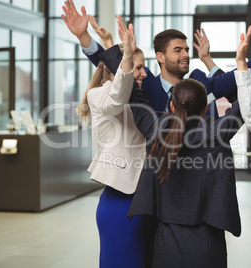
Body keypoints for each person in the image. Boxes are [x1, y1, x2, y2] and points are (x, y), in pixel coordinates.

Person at [61, 0, 251, 119]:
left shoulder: (200, 82)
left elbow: (238, 75)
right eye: (177, 50)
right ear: (160, 57)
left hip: (197, 169)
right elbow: (114, 65)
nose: (185, 54)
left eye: (186, 49)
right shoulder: (145, 82)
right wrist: (84, 37)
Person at [125, 77, 247, 267]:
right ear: (205, 108)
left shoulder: (156, 131)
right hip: (207, 242)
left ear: (172, 106)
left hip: (165, 242)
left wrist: (119, 58)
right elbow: (249, 100)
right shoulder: (218, 132)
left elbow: (136, 98)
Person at [76, 15, 147, 268]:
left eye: (142, 67)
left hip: (143, 196)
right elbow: (118, 96)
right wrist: (125, 58)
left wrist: (107, 43)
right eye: (138, 67)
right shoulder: (99, 95)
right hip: (120, 198)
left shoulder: (140, 96)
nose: (143, 72)